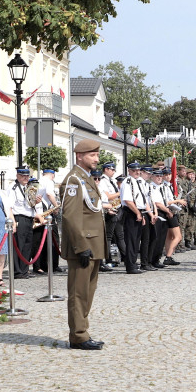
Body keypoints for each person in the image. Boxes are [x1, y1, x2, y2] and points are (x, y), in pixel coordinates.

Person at [60, 140, 107, 350]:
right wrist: (80, 246)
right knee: (79, 293)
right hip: (83, 245)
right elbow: (70, 217)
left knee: (87, 292)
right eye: (92, 155)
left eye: (96, 155)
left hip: (92, 243)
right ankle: (78, 335)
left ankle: (82, 331)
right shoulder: (73, 180)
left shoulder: (85, 179)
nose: (96, 159)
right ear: (79, 156)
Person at [7, 166, 37, 279]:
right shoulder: (13, 188)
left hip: (29, 218)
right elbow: (9, 206)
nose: (25, 178)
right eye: (23, 176)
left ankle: (24, 270)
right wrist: (13, 222)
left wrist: (36, 202)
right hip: (19, 218)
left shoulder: (29, 187)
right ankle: (17, 271)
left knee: (27, 246)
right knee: (18, 246)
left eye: (27, 176)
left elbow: (30, 205)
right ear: (17, 176)